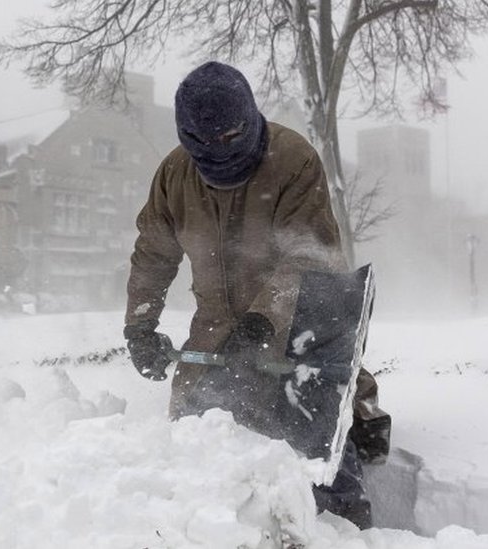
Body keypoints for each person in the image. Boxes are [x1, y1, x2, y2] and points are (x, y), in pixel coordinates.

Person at [123, 61, 389, 530]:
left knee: (319, 455)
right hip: (214, 337)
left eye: (230, 138)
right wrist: (140, 326)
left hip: (296, 329)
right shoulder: (174, 176)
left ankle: (347, 529)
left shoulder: (293, 161)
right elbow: (153, 254)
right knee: (199, 449)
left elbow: (312, 258)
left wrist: (263, 321)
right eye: (207, 144)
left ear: (249, 117)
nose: (220, 151)